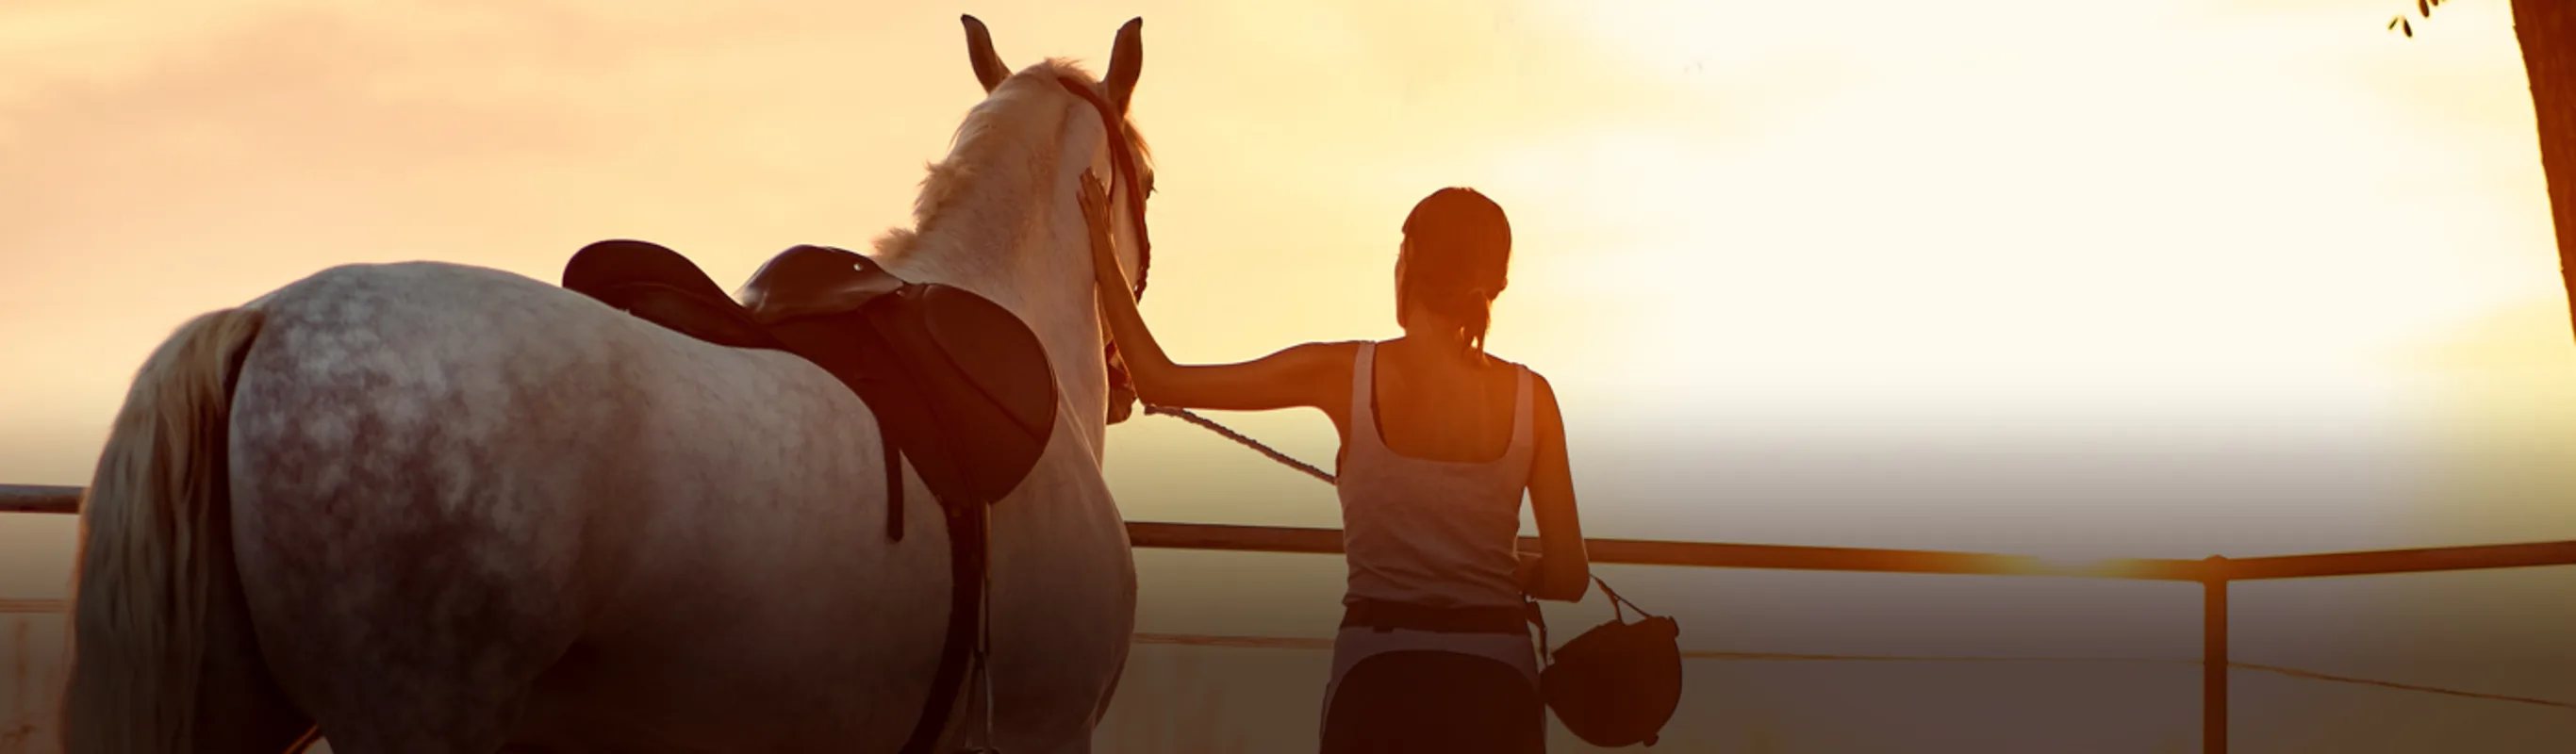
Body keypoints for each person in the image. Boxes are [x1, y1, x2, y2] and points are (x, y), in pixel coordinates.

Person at [1079, 177, 1591, 753]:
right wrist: (1508, 569)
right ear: (1494, 283)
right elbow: (1571, 576)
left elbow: (1160, 379)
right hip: (1498, 681)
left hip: (1380, 677)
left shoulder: (1346, 373)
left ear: (1410, 263)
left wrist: (1100, 247)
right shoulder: (1532, 397)